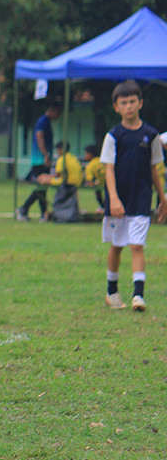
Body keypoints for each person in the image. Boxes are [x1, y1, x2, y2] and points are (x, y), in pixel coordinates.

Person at [99, 79, 167, 311]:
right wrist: (113, 198)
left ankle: (138, 296)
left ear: (140, 103)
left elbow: (154, 169)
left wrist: (162, 197)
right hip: (118, 199)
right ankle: (112, 292)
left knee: (137, 245)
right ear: (116, 107)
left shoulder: (151, 135)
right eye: (124, 103)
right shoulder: (113, 136)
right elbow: (108, 169)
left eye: (132, 101)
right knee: (117, 246)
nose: (128, 106)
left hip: (141, 198)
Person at [16, 101, 61, 221]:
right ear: (52, 110)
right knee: (41, 187)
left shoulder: (46, 121)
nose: (58, 116)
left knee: (43, 188)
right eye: (58, 113)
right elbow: (39, 137)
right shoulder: (43, 121)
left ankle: (43, 214)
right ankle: (23, 209)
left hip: (42, 159)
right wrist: (45, 155)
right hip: (40, 160)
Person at [36, 142, 83, 223]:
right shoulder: (73, 158)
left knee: (42, 182)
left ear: (60, 149)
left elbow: (58, 175)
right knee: (44, 180)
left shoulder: (62, 159)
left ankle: (37, 210)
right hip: (76, 183)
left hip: (66, 183)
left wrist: (46, 177)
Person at [83, 144, 105, 214]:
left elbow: (90, 182)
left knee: (97, 189)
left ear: (90, 154)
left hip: (103, 185)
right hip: (111, 183)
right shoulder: (103, 161)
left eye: (86, 153)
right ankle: (104, 207)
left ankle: (103, 207)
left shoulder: (90, 166)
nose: (85, 155)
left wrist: (91, 183)